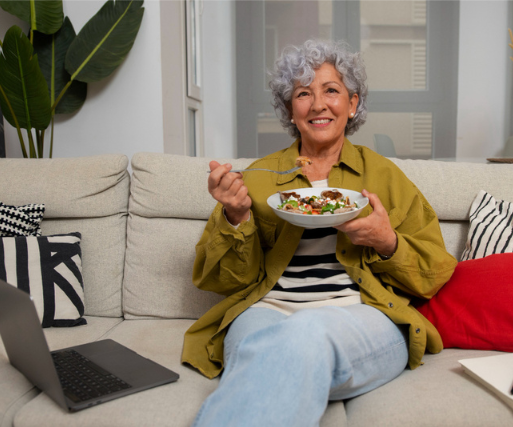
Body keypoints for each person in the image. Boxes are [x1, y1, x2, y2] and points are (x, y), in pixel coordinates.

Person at [183, 39, 458, 427]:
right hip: (267, 312)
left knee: (302, 337)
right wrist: (235, 217)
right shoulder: (259, 177)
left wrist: (386, 242)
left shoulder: (384, 176)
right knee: (274, 349)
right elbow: (224, 281)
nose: (317, 104)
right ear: (289, 109)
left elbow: (435, 273)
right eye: (303, 93)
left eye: (331, 90)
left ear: (353, 103)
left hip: (362, 315)